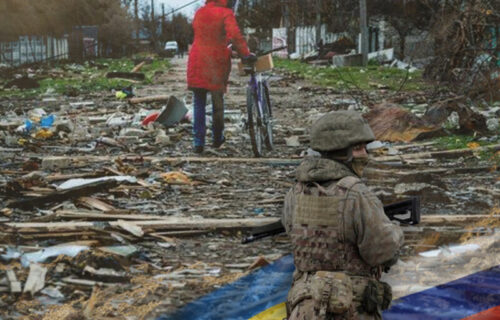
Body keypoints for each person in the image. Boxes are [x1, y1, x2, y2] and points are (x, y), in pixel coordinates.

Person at [282, 111, 404, 320]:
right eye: (357, 148)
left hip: (303, 309)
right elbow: (381, 252)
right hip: (349, 309)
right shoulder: (356, 194)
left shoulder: (296, 192)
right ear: (339, 152)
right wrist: (396, 232)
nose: (364, 154)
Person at [187, 0, 253, 154]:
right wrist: (245, 54)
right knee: (217, 102)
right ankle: (217, 138)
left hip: (197, 60)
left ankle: (198, 143)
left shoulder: (200, 12)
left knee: (198, 102)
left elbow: (201, 33)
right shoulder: (225, 13)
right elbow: (235, 35)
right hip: (215, 63)